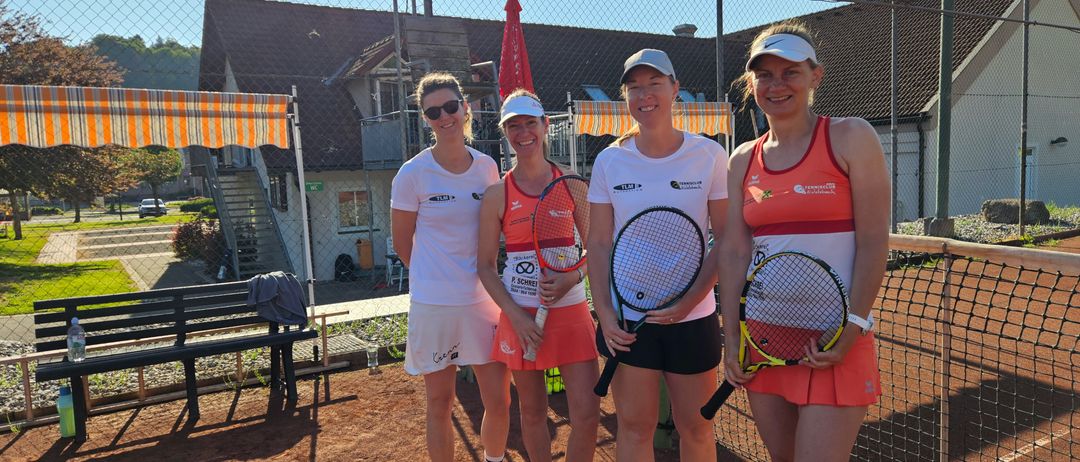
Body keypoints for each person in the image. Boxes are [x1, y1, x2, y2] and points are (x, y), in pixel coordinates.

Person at [718, 20, 889, 461]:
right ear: (751, 84)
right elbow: (734, 252)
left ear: (815, 76)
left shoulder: (852, 137)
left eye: (790, 72)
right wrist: (733, 335)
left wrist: (853, 326)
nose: (777, 85)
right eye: (765, 75)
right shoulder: (742, 159)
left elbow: (874, 240)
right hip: (763, 339)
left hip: (833, 341)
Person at [588, 49, 729, 461]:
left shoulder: (709, 155)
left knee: (697, 429)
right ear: (625, 96)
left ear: (675, 89)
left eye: (654, 84)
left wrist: (689, 300)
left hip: (694, 317)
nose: (644, 95)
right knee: (634, 428)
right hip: (629, 320)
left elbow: (726, 239)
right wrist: (605, 314)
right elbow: (598, 243)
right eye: (634, 87)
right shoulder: (609, 161)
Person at [390, 72, 510, 462]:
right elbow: (402, 244)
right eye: (433, 112)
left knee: (499, 400)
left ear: (465, 108)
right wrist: (435, 278)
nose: (444, 117)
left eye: (450, 107)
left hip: (484, 301)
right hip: (435, 305)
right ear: (425, 119)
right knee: (440, 403)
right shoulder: (412, 174)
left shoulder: (488, 168)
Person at [476, 89, 601, 462]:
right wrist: (516, 316)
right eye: (514, 126)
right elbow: (485, 266)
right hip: (522, 317)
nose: (523, 133)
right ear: (505, 132)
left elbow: (596, 250)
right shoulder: (497, 194)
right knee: (532, 412)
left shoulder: (572, 183)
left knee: (587, 415)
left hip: (572, 312)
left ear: (545, 126)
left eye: (530, 123)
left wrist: (572, 278)